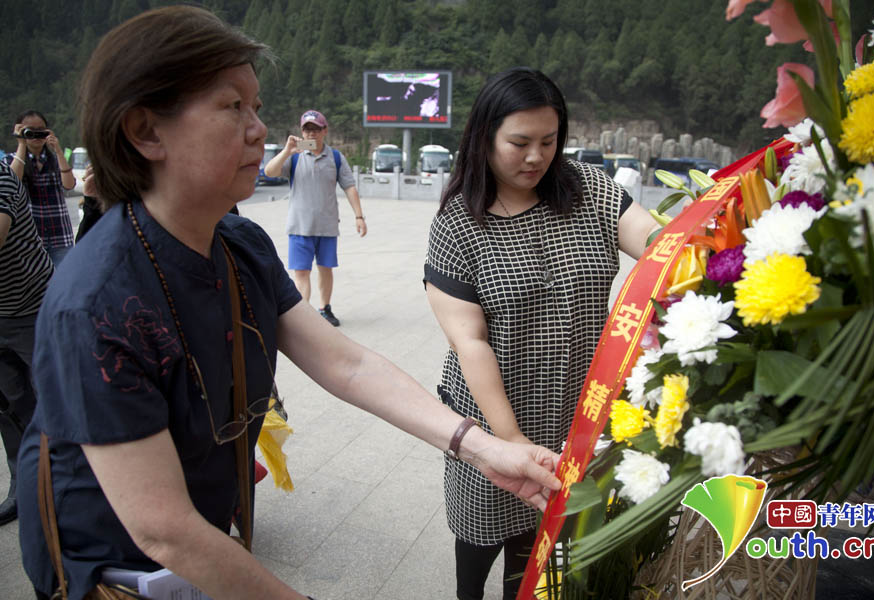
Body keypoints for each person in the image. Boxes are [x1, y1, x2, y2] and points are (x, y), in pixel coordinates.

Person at [15, 8, 561, 600]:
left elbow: (345, 364)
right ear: (145, 131)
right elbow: (163, 529)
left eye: (255, 106)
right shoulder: (96, 301)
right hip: (114, 571)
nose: (258, 129)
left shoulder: (238, 244)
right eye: (232, 107)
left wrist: (480, 448)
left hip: (202, 540)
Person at [423, 67, 661, 600]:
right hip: (492, 412)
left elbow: (658, 246)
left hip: (573, 405)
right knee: (480, 534)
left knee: (540, 545)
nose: (536, 156)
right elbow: (470, 342)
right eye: (519, 142)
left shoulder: (588, 191)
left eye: (548, 141)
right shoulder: (459, 222)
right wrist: (508, 441)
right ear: (484, 137)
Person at [263, 109, 365, 327]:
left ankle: (325, 308)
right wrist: (286, 151)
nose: (311, 134)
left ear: (324, 131)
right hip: (299, 227)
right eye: (307, 130)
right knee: (301, 273)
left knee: (325, 269)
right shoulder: (295, 156)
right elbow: (269, 172)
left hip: (327, 226)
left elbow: (349, 186)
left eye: (316, 129)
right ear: (301, 132)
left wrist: (359, 216)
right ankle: (305, 316)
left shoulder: (335, 157)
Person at [0, 158, 54, 527]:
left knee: (54, 400)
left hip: (32, 308)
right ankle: (24, 487)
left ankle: (69, 488)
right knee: (11, 407)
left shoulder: (1, 177)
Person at [4, 110, 76, 267]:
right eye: (30, 131)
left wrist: (57, 150)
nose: (36, 136)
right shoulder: (11, 160)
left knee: (63, 285)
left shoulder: (56, 160)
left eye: (40, 130)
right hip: (28, 240)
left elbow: (69, 185)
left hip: (60, 236)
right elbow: (12, 182)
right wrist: (21, 143)